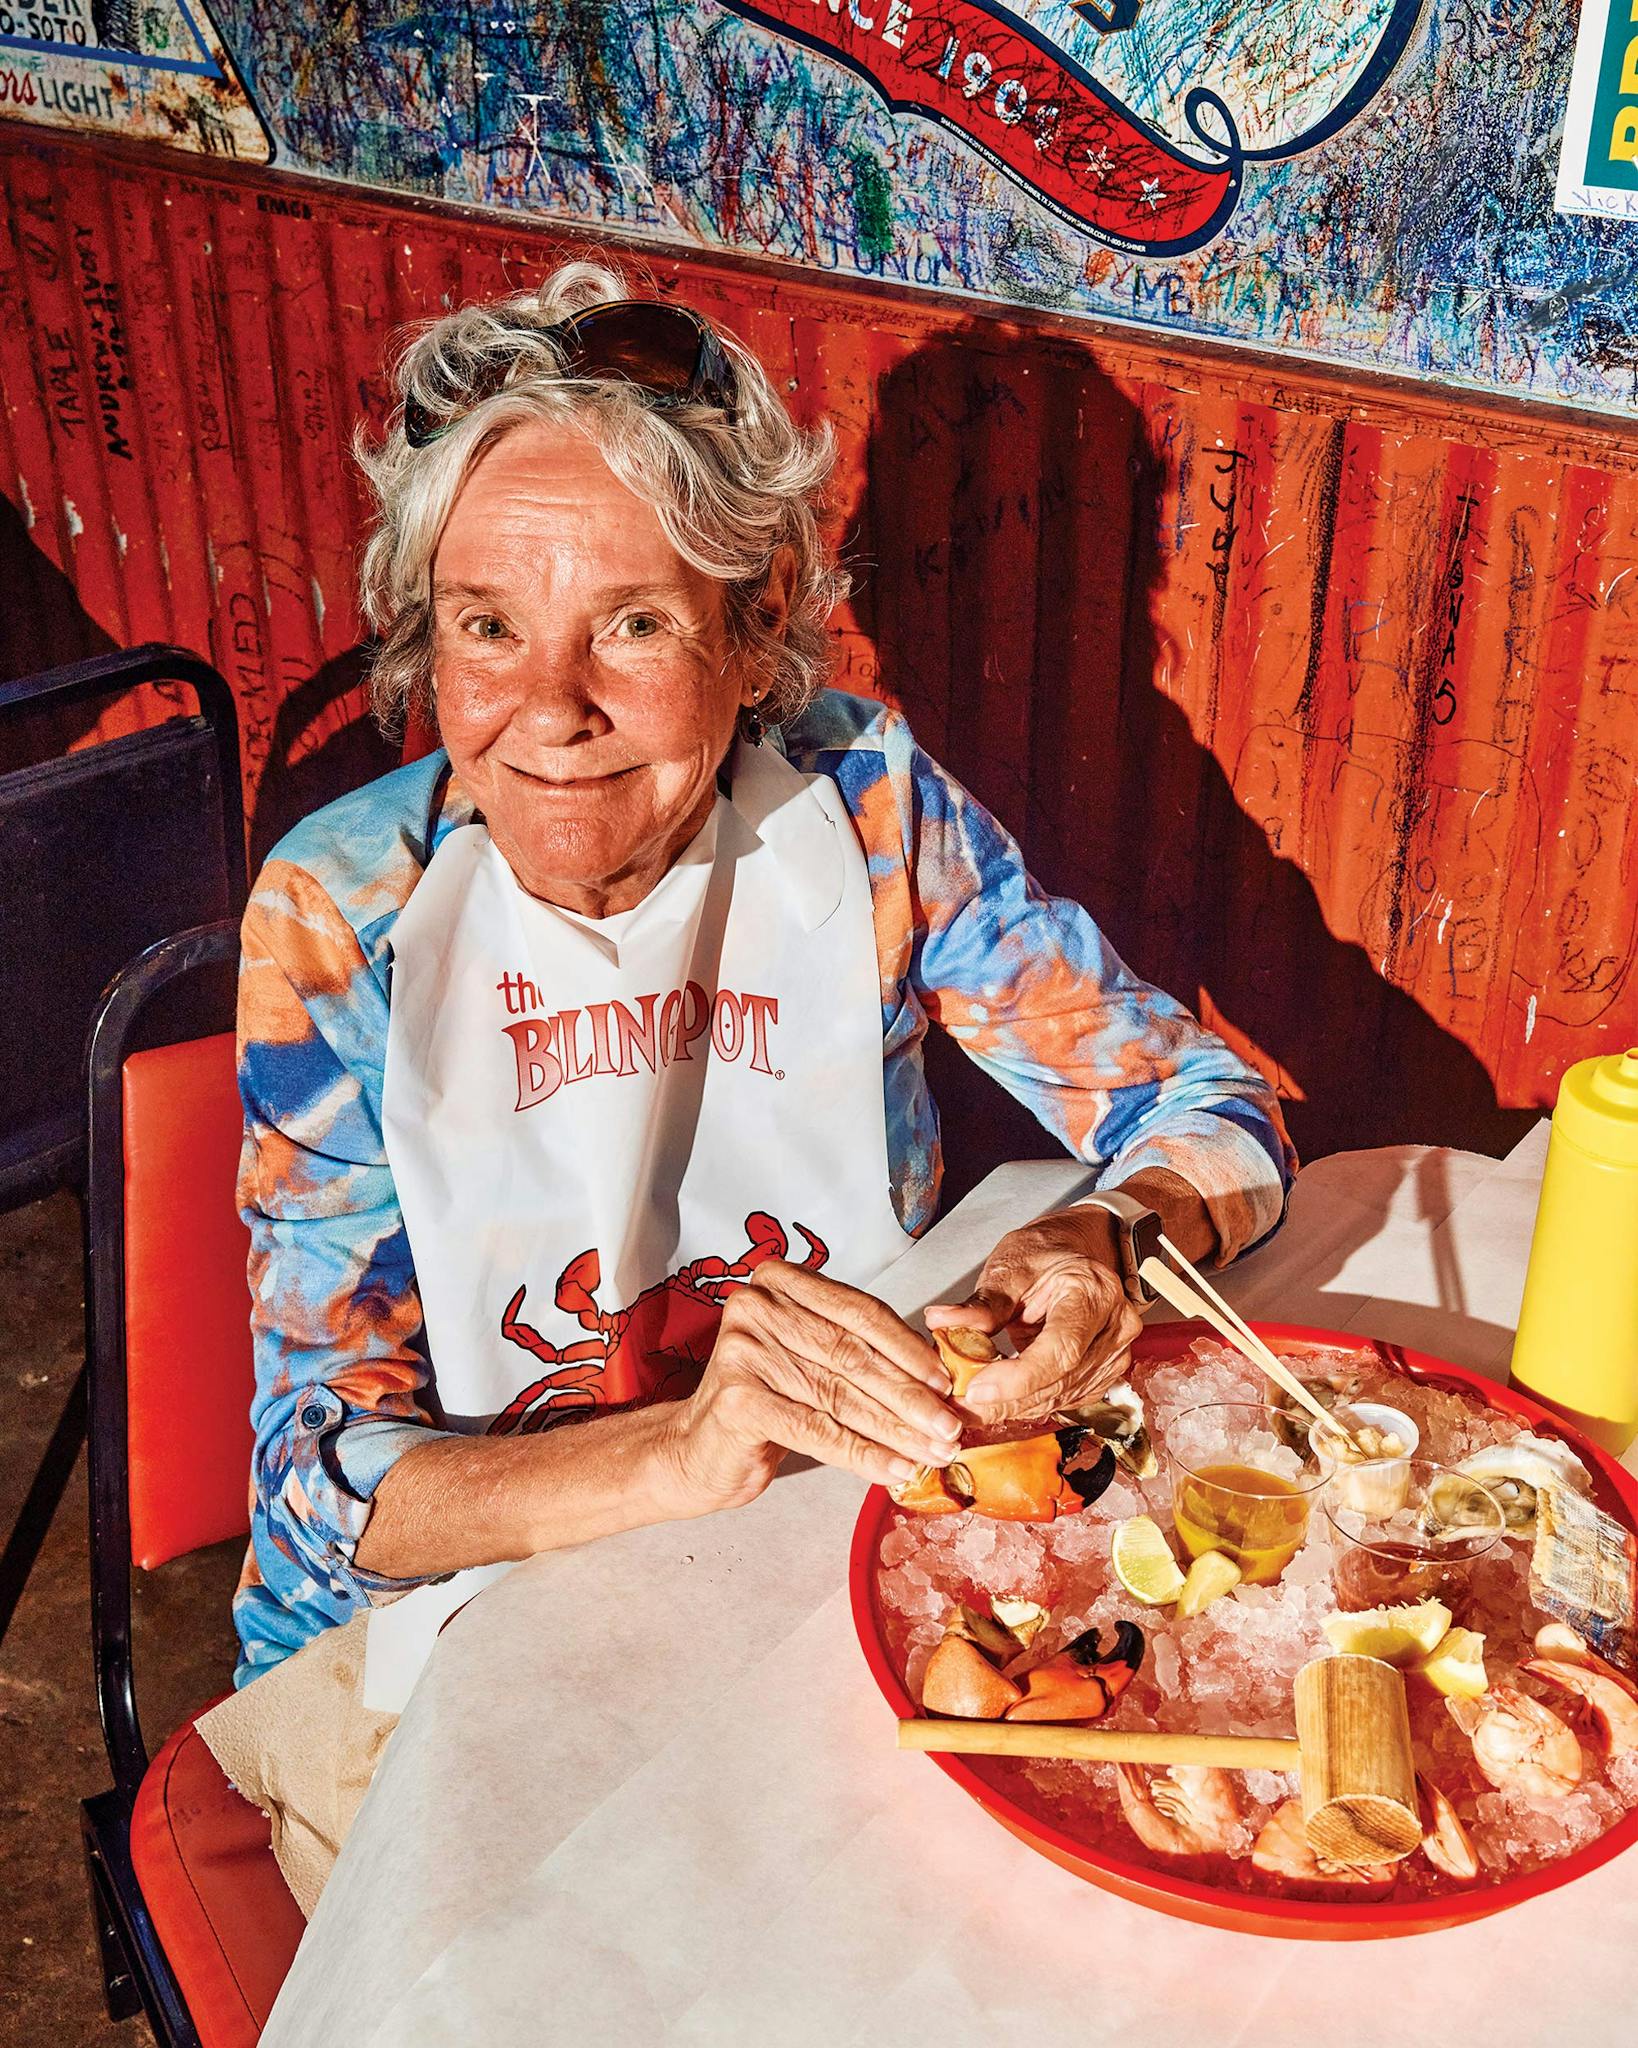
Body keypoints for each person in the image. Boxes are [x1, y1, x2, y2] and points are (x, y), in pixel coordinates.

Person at [232, 258, 1294, 1688]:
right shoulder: (343, 910)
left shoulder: (863, 808)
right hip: (458, 1650)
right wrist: (678, 1452)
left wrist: (1106, 1233)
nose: (547, 710)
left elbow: (1213, 1106)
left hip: (833, 1567)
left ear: (753, 625)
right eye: (486, 626)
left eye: (633, 622)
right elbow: (311, 1504)